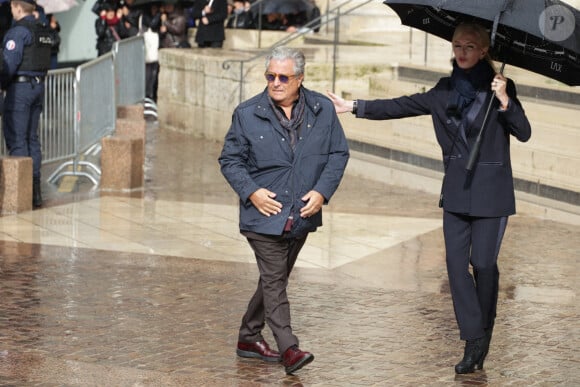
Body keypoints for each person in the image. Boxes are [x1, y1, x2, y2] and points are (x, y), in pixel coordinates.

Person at [327, 22, 532, 374]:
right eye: (457, 46)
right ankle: (474, 338)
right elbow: (402, 105)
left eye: (469, 47)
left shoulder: (502, 88)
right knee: (455, 266)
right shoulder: (443, 90)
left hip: (492, 195)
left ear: (483, 51)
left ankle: (485, 325)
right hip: (455, 193)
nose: (462, 53)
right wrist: (354, 106)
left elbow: (524, 133)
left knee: (483, 265)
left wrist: (504, 101)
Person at [219, 46, 349, 375]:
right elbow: (229, 160)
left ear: (300, 79)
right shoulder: (247, 113)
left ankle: (249, 337)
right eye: (270, 76)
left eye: (283, 77)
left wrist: (322, 191)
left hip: (301, 213)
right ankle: (288, 348)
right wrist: (252, 192)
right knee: (276, 280)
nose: (275, 83)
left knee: (273, 279)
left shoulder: (322, 109)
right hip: (262, 215)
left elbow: (338, 154)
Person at [1, 0, 53, 208]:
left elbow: (8, 65)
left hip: (20, 90)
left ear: (17, 7)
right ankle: (35, 192)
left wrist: (2, 85)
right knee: (32, 139)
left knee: (17, 139)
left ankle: (20, 194)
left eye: (12, 7)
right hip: (38, 87)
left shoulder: (18, 32)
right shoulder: (43, 30)